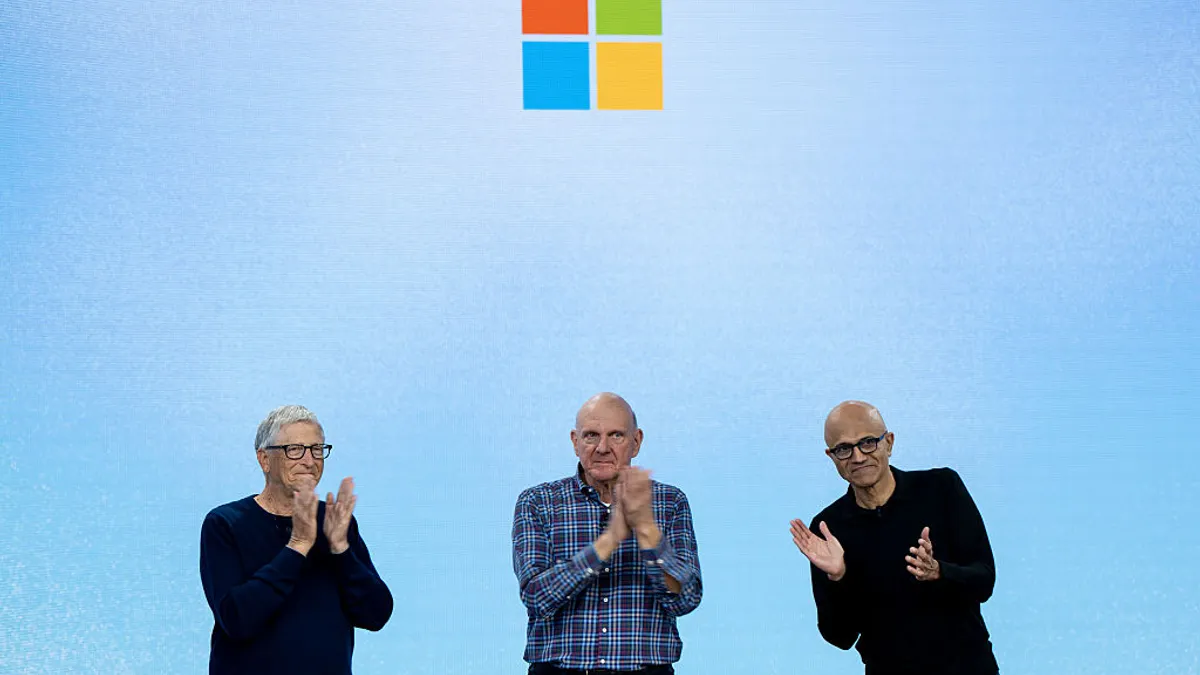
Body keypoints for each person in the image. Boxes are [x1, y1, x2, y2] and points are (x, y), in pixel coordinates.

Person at [791, 401, 999, 675]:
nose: (857, 457)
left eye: (867, 442)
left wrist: (939, 572)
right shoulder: (828, 528)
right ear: (831, 457)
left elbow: (984, 580)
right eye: (844, 449)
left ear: (888, 443)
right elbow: (839, 637)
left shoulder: (942, 488)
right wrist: (839, 577)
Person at [512, 393, 702, 674]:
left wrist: (647, 530)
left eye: (616, 435)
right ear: (575, 442)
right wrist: (609, 540)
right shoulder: (538, 502)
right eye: (591, 436)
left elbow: (684, 599)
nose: (602, 447)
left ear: (636, 442)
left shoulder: (669, 502)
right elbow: (536, 596)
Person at [199, 405, 393, 674]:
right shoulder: (225, 523)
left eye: (317, 449)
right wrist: (297, 546)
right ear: (264, 459)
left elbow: (376, 614)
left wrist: (341, 549)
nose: (309, 461)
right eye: (295, 449)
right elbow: (237, 620)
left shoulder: (335, 522)